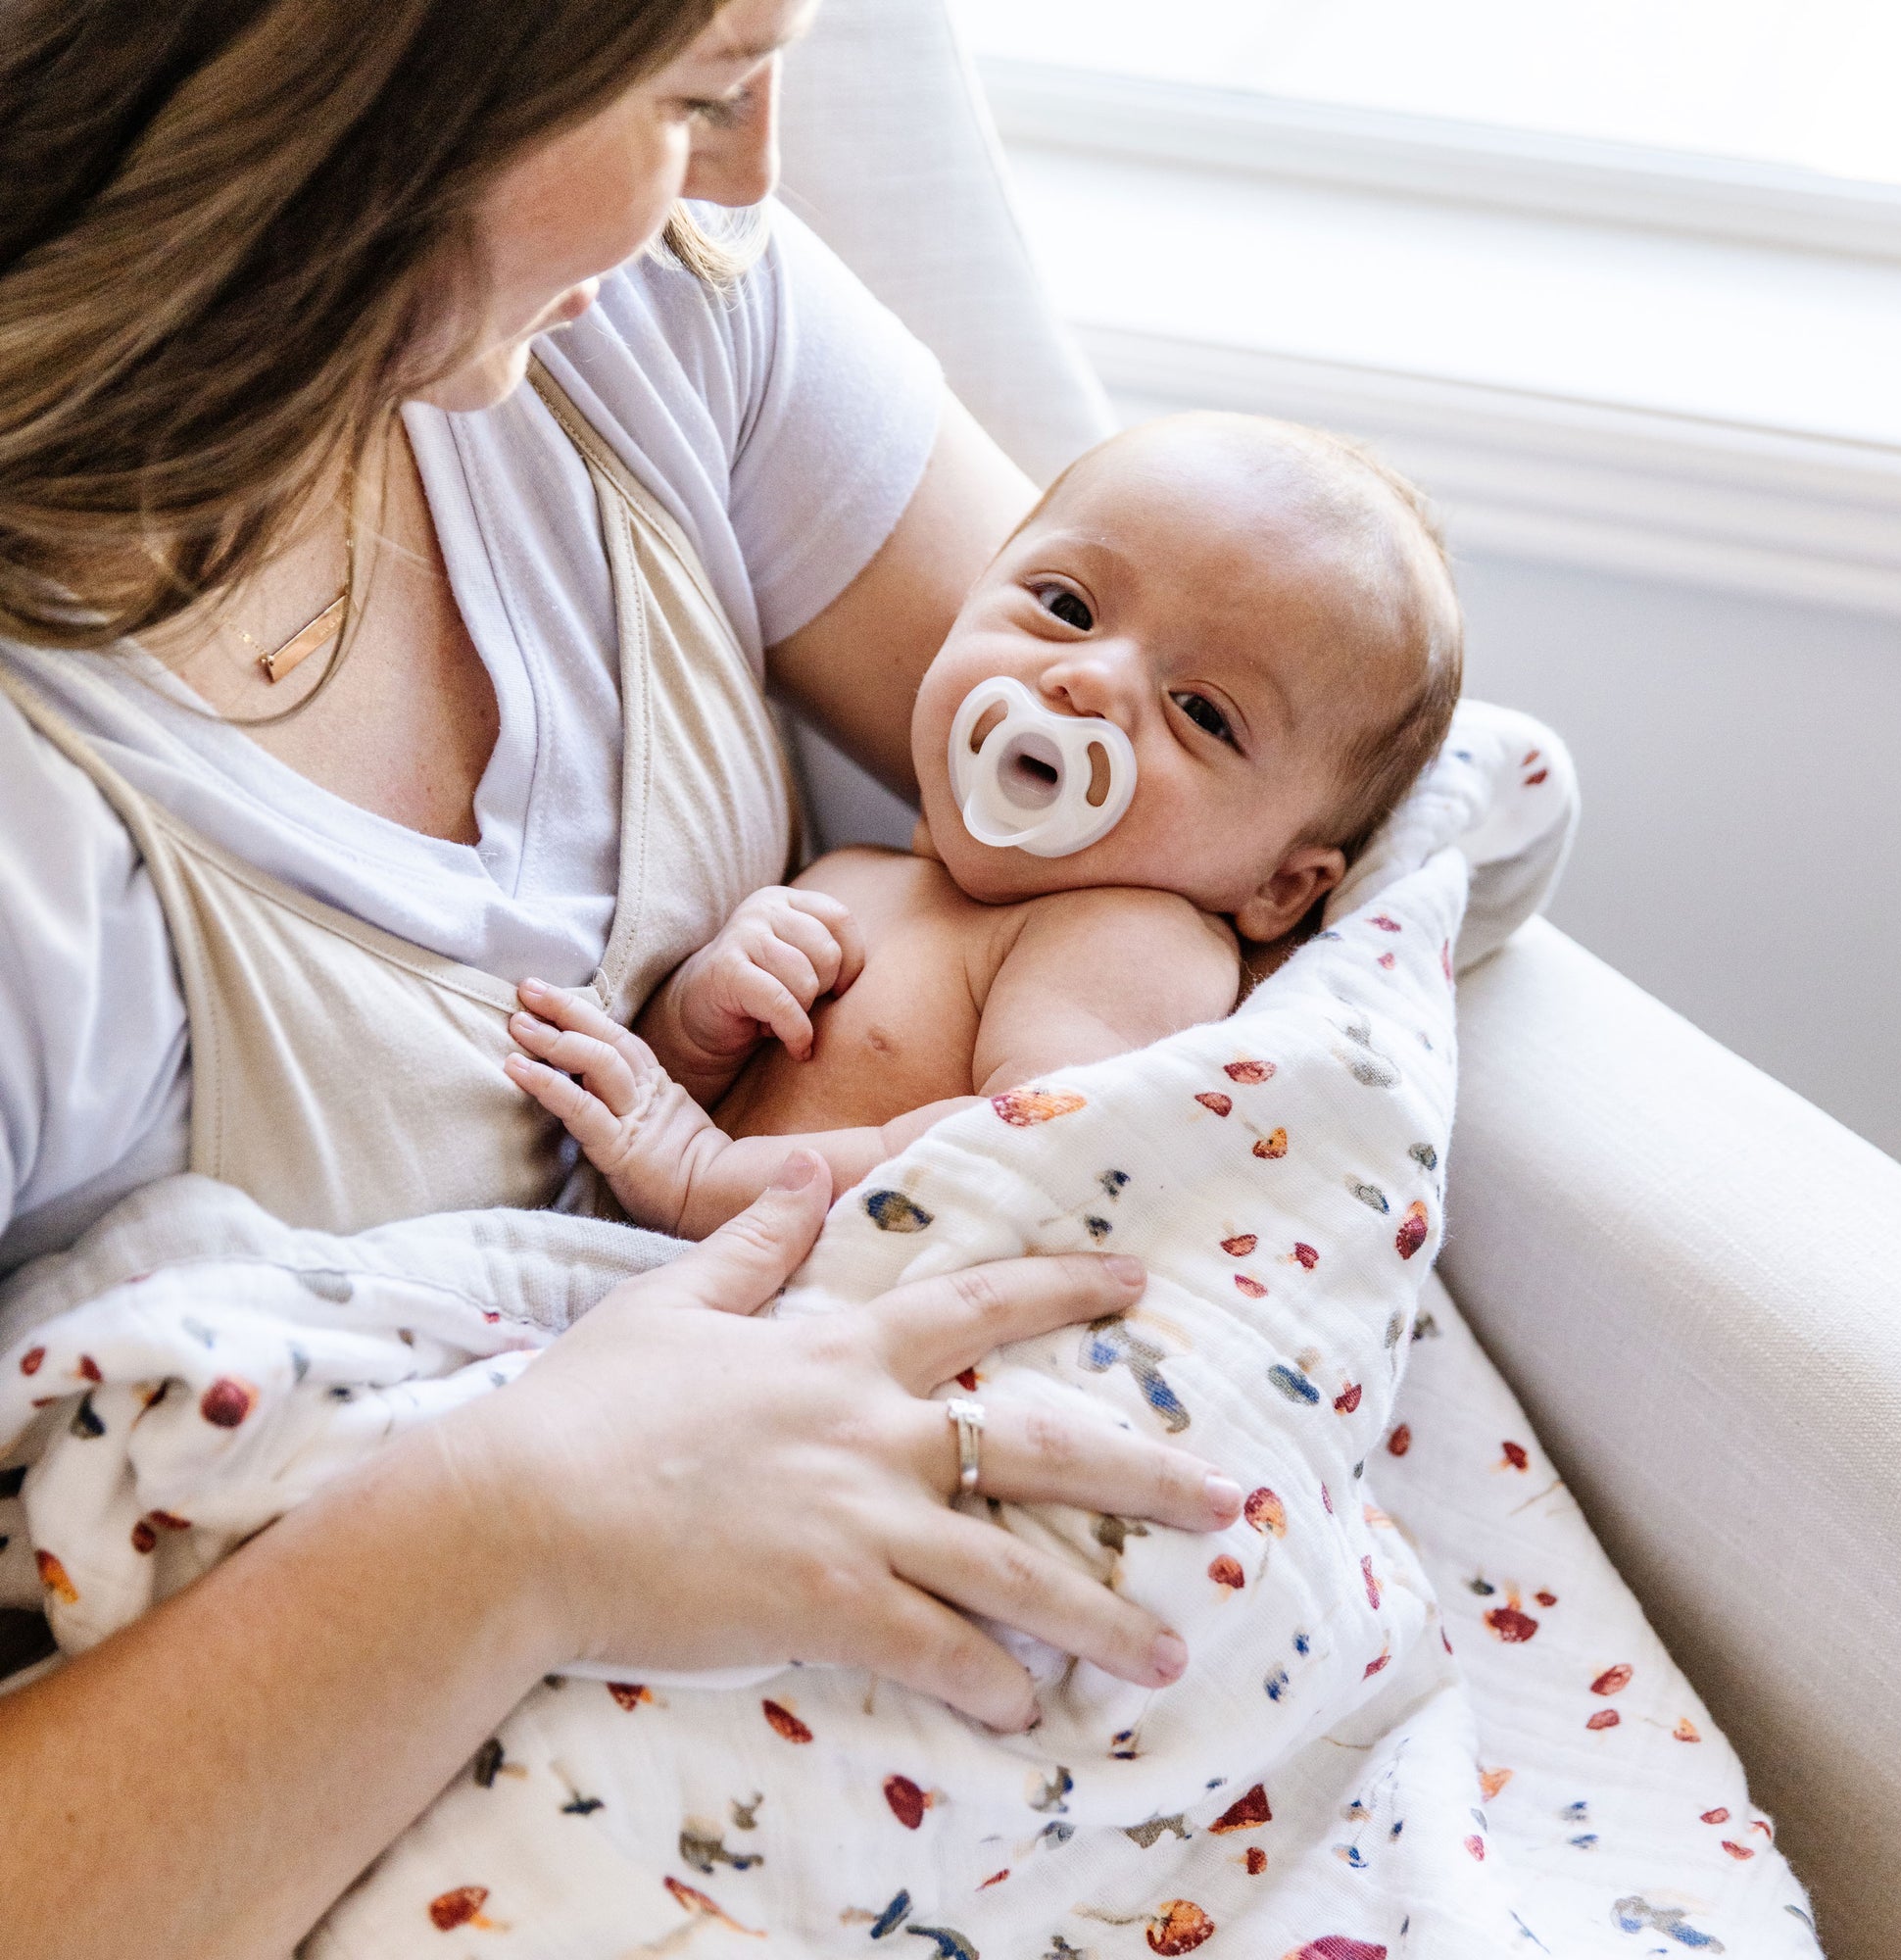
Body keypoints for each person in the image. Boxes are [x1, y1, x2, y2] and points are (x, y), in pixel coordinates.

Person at [0, 4, 1246, 1954]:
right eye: (688, 86)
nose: (756, 166)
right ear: (360, 77)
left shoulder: (652, 312)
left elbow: (1246, 758)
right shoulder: (42, 854)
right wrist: (527, 1521)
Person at [505, 413, 1463, 1236]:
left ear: (1279, 886)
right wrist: (696, 1026)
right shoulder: (857, 871)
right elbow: (656, 1122)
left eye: (1201, 711)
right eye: (1066, 605)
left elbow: (1024, 1155)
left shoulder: (1127, 937)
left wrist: (706, 1181)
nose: (1087, 680)